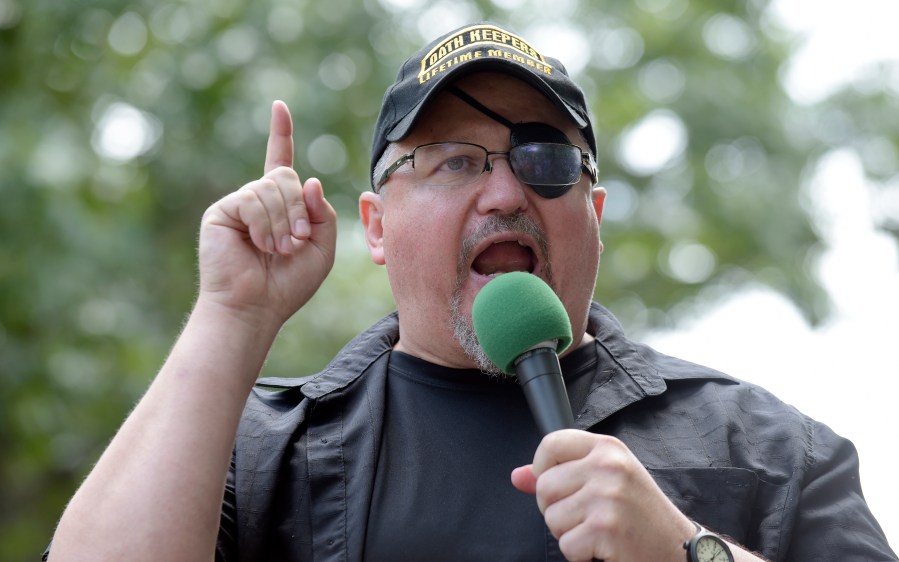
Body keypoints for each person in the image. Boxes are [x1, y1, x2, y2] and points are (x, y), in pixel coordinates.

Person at [46, 22, 895, 562]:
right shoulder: (258, 455)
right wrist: (233, 314)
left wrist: (687, 552)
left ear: (592, 216)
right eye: (454, 159)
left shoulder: (774, 452)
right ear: (374, 226)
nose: (504, 194)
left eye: (545, 160)